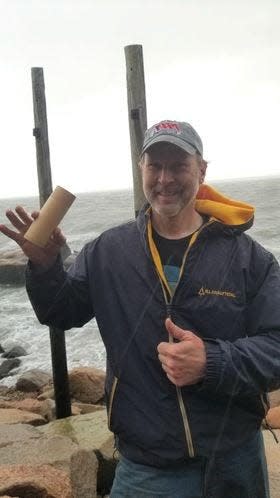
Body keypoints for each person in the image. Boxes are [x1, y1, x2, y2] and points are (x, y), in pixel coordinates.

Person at [0, 119, 279, 498]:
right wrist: (46, 267)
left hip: (235, 460)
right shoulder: (107, 251)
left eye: (178, 166)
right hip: (148, 467)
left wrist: (211, 361)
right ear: (141, 169)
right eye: (155, 165)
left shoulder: (249, 257)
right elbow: (61, 313)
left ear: (202, 170)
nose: (164, 178)